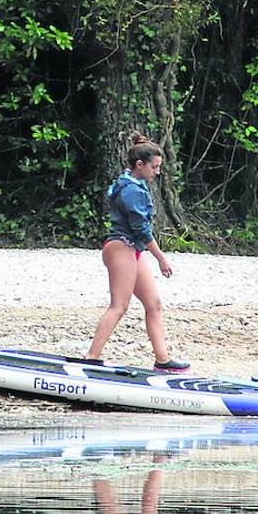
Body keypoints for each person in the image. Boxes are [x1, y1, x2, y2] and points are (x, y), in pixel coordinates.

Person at [86, 132, 189, 371]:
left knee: (154, 304)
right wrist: (162, 258)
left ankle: (162, 360)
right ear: (140, 165)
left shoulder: (133, 183)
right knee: (119, 305)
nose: (158, 172)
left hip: (133, 249)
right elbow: (141, 230)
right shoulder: (132, 190)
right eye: (154, 167)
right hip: (121, 247)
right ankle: (91, 356)